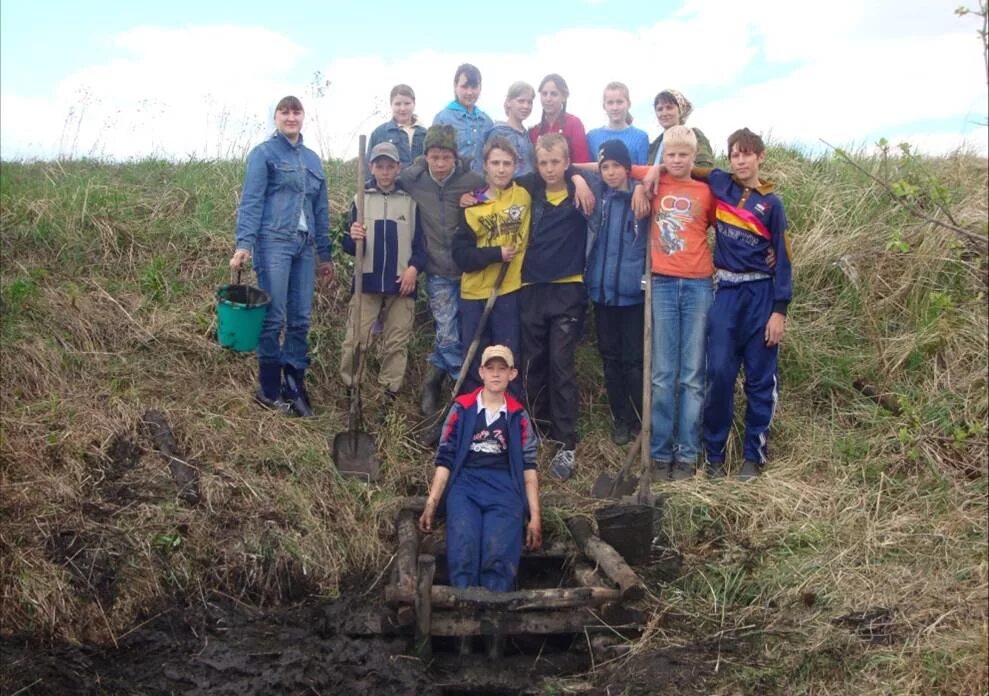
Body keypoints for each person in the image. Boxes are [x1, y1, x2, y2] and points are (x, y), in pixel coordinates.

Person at [230, 95, 333, 417]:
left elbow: (321, 209)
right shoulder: (264, 154)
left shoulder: (313, 160)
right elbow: (252, 201)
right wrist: (244, 244)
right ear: (275, 117)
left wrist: (325, 255)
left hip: (305, 245)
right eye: (284, 112)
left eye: (296, 111)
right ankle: (269, 389)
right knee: (274, 317)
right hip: (273, 241)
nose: (291, 117)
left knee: (301, 318)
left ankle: (295, 386)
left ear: (303, 117)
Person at [701, 128, 792, 479]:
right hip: (725, 294)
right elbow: (687, 168)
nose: (740, 160)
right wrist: (652, 171)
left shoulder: (772, 203)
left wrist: (779, 311)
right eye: (734, 154)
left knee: (759, 379)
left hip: (761, 296)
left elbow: (783, 258)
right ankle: (714, 456)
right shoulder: (721, 184)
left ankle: (753, 456)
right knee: (719, 374)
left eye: (746, 154)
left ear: (760, 156)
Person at [629, 126, 715, 480]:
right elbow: (612, 166)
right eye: (670, 155)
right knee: (664, 374)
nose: (676, 160)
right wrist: (644, 179)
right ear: (662, 157)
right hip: (662, 284)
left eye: (683, 155)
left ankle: (687, 453)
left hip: (697, 285)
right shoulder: (654, 178)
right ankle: (660, 453)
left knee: (692, 375)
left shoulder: (706, 191)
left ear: (694, 158)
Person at [419, 345, 541, 594]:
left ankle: (493, 619)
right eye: (490, 368)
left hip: (505, 490)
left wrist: (535, 517)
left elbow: (529, 469)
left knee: (498, 554)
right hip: (466, 487)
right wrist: (432, 502)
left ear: (512, 374)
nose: (496, 374)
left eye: (502, 369)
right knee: (464, 547)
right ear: (481, 372)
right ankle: (463, 610)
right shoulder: (461, 409)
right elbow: (445, 458)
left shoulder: (519, 416)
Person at [398, 125, 484, 416]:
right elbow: (394, 179)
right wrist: (419, 161)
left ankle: (432, 381)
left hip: (469, 273)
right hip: (437, 273)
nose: (440, 164)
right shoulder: (417, 180)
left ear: (455, 158)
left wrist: (473, 201)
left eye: (446, 157)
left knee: (464, 332)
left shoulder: (470, 180)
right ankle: (466, 393)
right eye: (434, 157)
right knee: (448, 335)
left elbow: (490, 199)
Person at [520, 133, 592, 481]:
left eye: (556, 163)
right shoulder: (529, 190)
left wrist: (578, 176)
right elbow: (495, 180)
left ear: (566, 162)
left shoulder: (582, 192)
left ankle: (566, 443)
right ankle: (535, 431)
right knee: (533, 365)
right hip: (531, 288)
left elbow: (613, 171)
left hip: (567, 290)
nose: (550, 169)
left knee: (561, 366)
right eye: (544, 163)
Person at [340, 142, 426, 398]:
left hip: (402, 283)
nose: (385, 172)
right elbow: (349, 246)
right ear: (371, 168)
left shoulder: (410, 201)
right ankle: (351, 390)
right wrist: (352, 236)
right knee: (356, 340)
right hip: (366, 282)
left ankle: (388, 395)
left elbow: (422, 245)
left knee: (396, 344)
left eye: (390, 166)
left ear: (398, 168)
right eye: (380, 166)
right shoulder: (361, 198)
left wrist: (414, 268)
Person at [451, 137, 530, 395]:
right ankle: (473, 419)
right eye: (495, 163)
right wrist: (495, 253)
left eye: (507, 163)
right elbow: (461, 256)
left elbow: (560, 171)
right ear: (485, 166)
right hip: (475, 294)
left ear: (517, 166)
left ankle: (509, 418)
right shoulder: (473, 204)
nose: (501, 169)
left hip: (509, 290)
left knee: (508, 356)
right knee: (476, 359)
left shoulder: (525, 195)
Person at [584, 140, 648, 445]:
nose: (610, 173)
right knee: (610, 360)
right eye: (604, 167)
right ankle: (620, 418)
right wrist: (574, 177)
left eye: (616, 166)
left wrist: (641, 183)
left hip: (633, 296)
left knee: (633, 362)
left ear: (628, 167)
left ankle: (639, 419)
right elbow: (571, 166)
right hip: (602, 294)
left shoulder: (644, 195)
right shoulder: (599, 197)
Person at [433, 64, 494, 174]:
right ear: (455, 87)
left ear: (480, 88)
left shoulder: (487, 121)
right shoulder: (442, 119)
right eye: (464, 87)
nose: (469, 92)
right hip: (453, 186)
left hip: (481, 185)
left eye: (474, 87)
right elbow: (434, 157)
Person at [528, 74, 589, 165]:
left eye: (554, 94)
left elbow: (582, 162)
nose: (548, 99)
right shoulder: (534, 131)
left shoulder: (574, 124)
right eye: (544, 94)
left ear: (564, 97)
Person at [585, 82, 650, 165]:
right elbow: (588, 172)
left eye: (619, 102)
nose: (615, 108)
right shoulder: (592, 137)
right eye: (610, 103)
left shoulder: (641, 137)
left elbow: (644, 171)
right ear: (604, 106)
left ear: (628, 104)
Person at [647, 89, 714, 168]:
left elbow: (704, 166)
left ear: (680, 111)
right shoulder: (655, 145)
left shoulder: (694, 135)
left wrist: (664, 169)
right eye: (660, 109)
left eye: (669, 108)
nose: (664, 113)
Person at [367, 84, 427, 168]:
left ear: (414, 104)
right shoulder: (379, 133)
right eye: (398, 104)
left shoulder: (425, 134)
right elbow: (369, 168)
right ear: (391, 105)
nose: (402, 108)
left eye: (407, 103)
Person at [485, 81, 536, 177]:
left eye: (529, 102)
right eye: (521, 101)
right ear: (508, 102)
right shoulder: (499, 132)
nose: (526, 106)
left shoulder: (527, 134)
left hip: (530, 187)